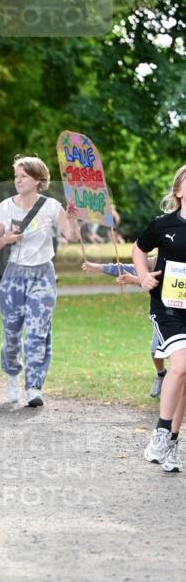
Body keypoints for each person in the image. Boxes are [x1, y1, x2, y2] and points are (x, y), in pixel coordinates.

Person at [0, 155, 78, 408]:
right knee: (12, 334)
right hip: (12, 276)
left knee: (38, 332)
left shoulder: (51, 206)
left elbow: (71, 235)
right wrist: (6, 238)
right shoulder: (5, 207)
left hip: (42, 275)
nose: (17, 180)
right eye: (16, 176)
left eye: (23, 176)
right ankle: (13, 374)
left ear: (38, 180)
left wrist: (72, 217)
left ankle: (34, 386)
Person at [133, 164, 186, 473]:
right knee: (180, 364)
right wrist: (142, 276)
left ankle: (174, 444)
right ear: (178, 191)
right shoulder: (163, 224)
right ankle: (161, 431)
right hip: (168, 309)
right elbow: (138, 250)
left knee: (184, 377)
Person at [81, 258, 166, 397]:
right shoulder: (151, 263)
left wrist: (135, 279)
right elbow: (121, 268)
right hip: (165, 318)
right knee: (155, 350)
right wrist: (95, 266)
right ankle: (161, 374)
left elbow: (159, 282)